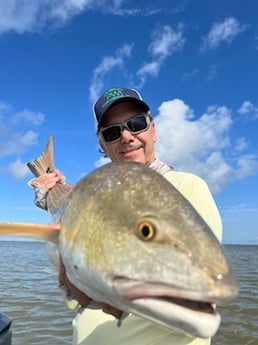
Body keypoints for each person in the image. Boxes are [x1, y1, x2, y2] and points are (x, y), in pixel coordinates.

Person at [29, 87, 222, 345]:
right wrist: (54, 200)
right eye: (112, 132)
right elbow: (75, 291)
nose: (127, 136)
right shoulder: (92, 198)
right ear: (102, 145)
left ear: (153, 130)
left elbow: (196, 298)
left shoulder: (187, 187)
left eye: (137, 123)